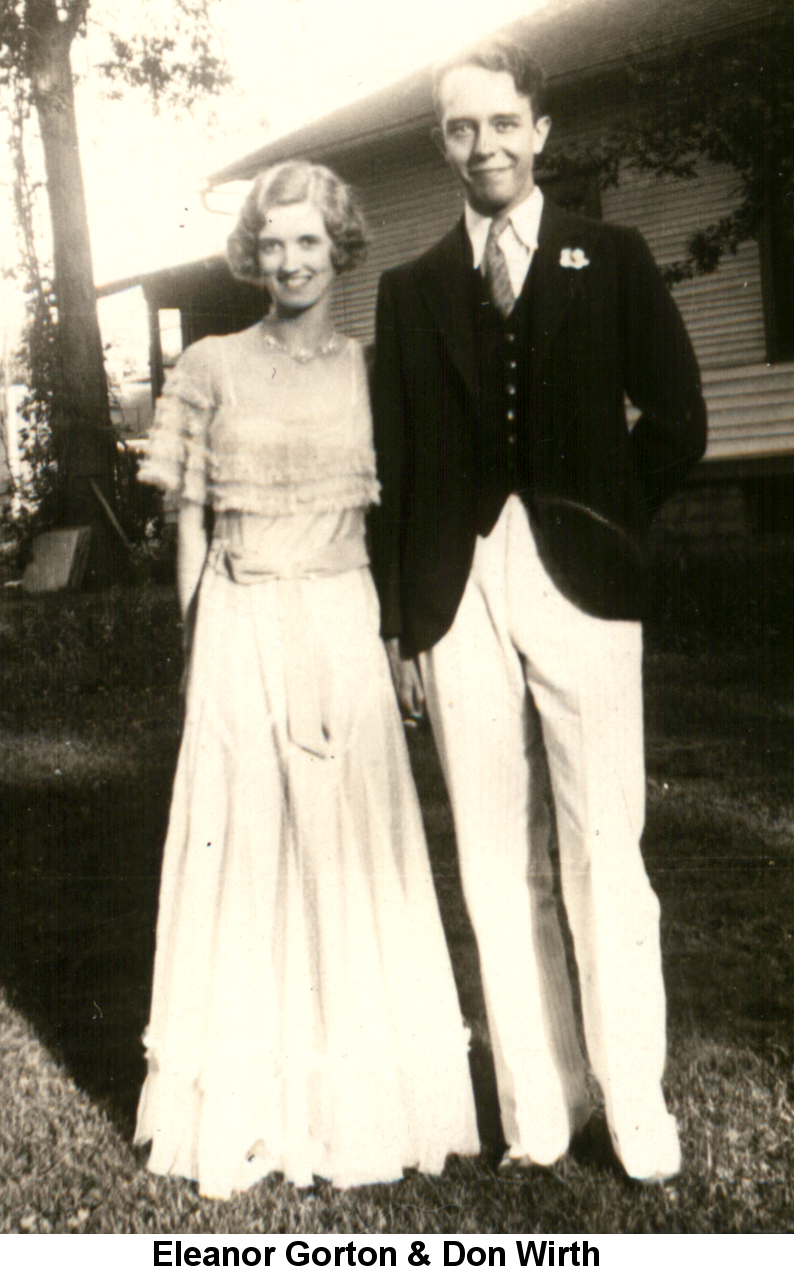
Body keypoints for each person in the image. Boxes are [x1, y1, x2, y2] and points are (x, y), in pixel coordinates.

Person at [369, 37, 707, 1184]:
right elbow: (395, 470)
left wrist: (605, 519)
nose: (484, 146)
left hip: (582, 585)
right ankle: (538, 1106)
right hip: (452, 590)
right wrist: (399, 622)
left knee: (604, 842)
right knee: (493, 854)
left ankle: (633, 1102)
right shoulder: (410, 289)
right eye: (460, 128)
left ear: (539, 131)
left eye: (502, 123)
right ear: (442, 144)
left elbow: (677, 421)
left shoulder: (609, 257)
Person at [134, 161, 479, 1200]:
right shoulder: (210, 363)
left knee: (346, 845)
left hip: (340, 618)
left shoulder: (372, 371)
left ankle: (357, 1104)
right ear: (253, 254)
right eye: (273, 243)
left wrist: (398, 638)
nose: (290, 262)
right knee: (243, 844)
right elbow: (190, 520)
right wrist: (195, 649)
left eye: (309, 242)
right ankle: (245, 1107)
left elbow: (404, 511)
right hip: (239, 619)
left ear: (340, 250)